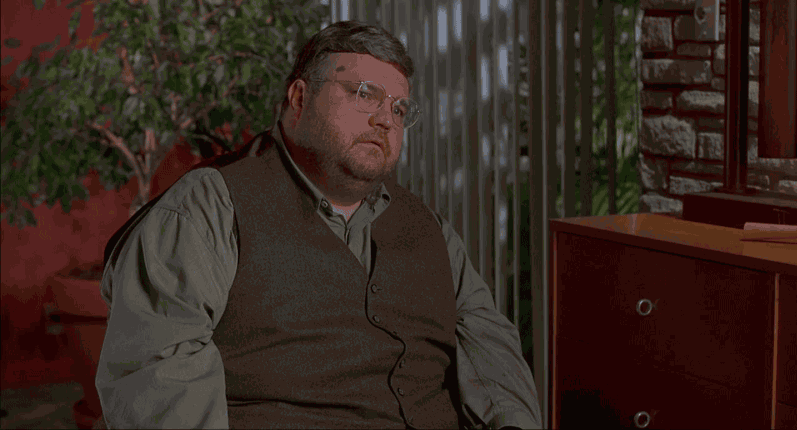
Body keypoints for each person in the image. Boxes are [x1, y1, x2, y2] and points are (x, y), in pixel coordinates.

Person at [96, 20, 541, 429]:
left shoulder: (431, 230)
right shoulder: (210, 206)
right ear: (299, 98)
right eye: (364, 94)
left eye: (400, 109)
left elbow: (492, 353)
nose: (386, 119)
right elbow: (159, 374)